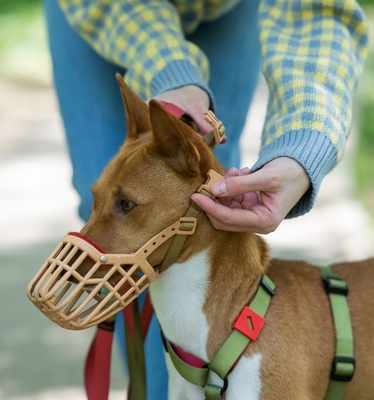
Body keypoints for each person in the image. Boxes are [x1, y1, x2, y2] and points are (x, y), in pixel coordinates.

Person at [43, 0, 369, 398]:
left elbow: (319, 15)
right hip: (103, 10)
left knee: (212, 196)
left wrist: (301, 152)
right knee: (107, 177)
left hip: (230, 10)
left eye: (126, 207)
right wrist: (169, 73)